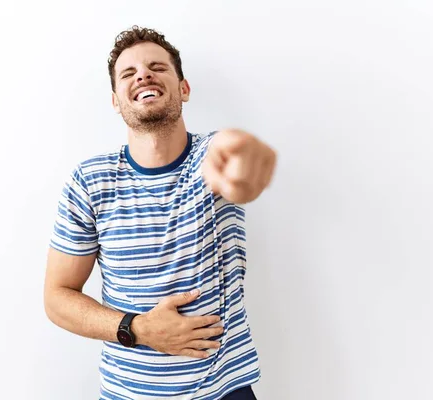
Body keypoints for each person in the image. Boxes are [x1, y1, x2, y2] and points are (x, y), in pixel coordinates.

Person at [43, 25, 277, 400]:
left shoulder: (210, 156)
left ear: (183, 89)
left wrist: (247, 158)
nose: (143, 76)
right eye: (128, 74)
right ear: (116, 100)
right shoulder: (91, 181)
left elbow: (239, 158)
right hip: (128, 393)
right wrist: (137, 328)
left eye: (157, 67)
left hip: (224, 389)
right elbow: (57, 297)